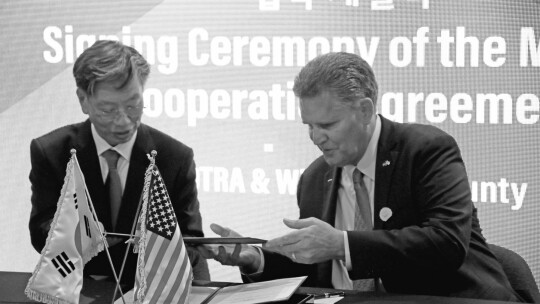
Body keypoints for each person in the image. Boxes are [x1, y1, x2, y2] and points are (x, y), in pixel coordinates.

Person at [199, 52, 522, 302]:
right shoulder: (314, 178)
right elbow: (317, 267)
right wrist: (255, 258)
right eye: (308, 126)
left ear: (365, 110)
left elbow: (446, 243)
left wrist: (342, 244)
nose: (315, 137)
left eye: (327, 125)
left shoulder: (424, 149)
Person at [29, 40, 209, 286]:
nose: (123, 121)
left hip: (156, 288)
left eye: (133, 105)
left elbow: (191, 240)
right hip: (81, 286)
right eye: (108, 110)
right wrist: (72, 234)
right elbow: (40, 231)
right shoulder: (52, 152)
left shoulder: (174, 157)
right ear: (83, 100)